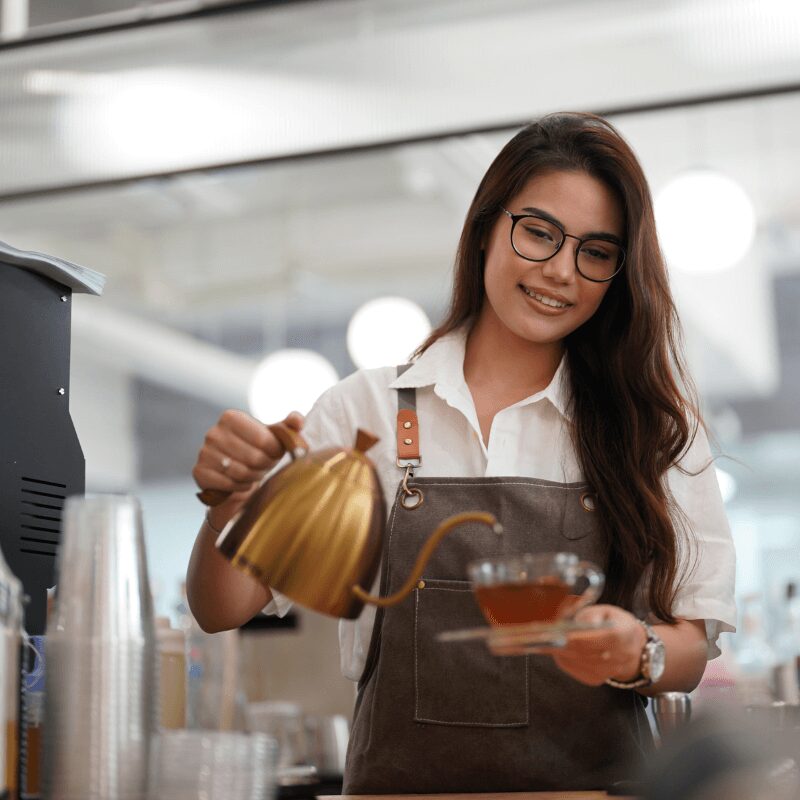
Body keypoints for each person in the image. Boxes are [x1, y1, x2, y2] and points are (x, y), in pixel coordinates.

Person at [186, 112, 736, 793]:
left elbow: (692, 644)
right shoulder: (365, 412)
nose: (561, 271)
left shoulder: (653, 431)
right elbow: (225, 609)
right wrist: (227, 508)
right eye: (538, 233)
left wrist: (641, 650)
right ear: (484, 229)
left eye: (596, 251)